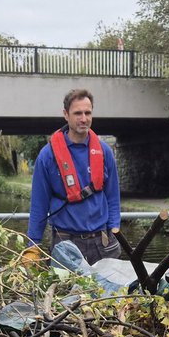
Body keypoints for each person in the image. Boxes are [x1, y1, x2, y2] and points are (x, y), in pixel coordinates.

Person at [25, 88, 121, 264]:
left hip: (102, 243)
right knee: (65, 292)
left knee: (109, 292)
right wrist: (32, 246)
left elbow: (113, 197)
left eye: (88, 113)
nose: (83, 119)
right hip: (65, 244)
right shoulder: (48, 156)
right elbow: (39, 205)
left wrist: (114, 229)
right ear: (66, 115)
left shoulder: (104, 152)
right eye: (77, 113)